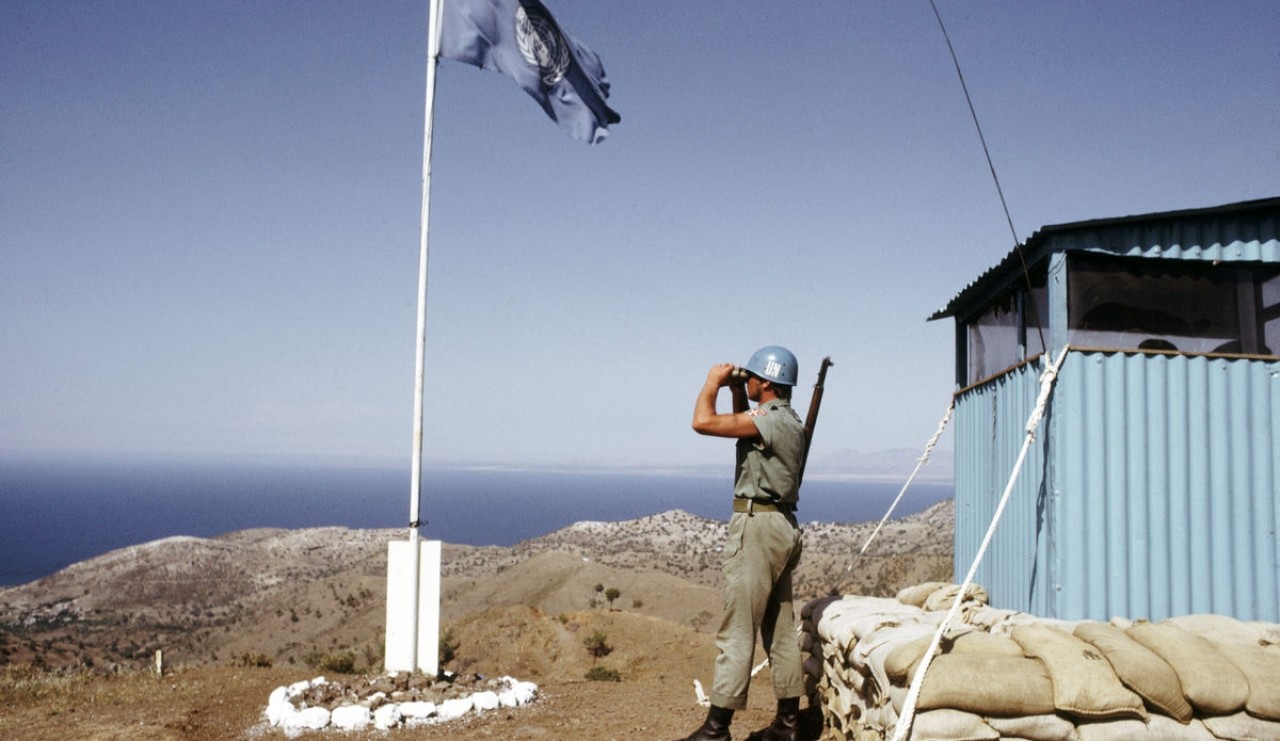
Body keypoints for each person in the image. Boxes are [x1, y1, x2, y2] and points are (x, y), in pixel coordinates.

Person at [677, 346, 807, 741]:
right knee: (780, 629)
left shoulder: (768, 419)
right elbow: (741, 420)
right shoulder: (785, 420)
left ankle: (717, 729)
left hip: (758, 529)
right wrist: (738, 388)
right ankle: (787, 724)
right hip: (780, 526)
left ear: (766, 381)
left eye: (751, 377)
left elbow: (703, 422)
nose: (746, 381)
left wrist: (712, 382)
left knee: (738, 629)